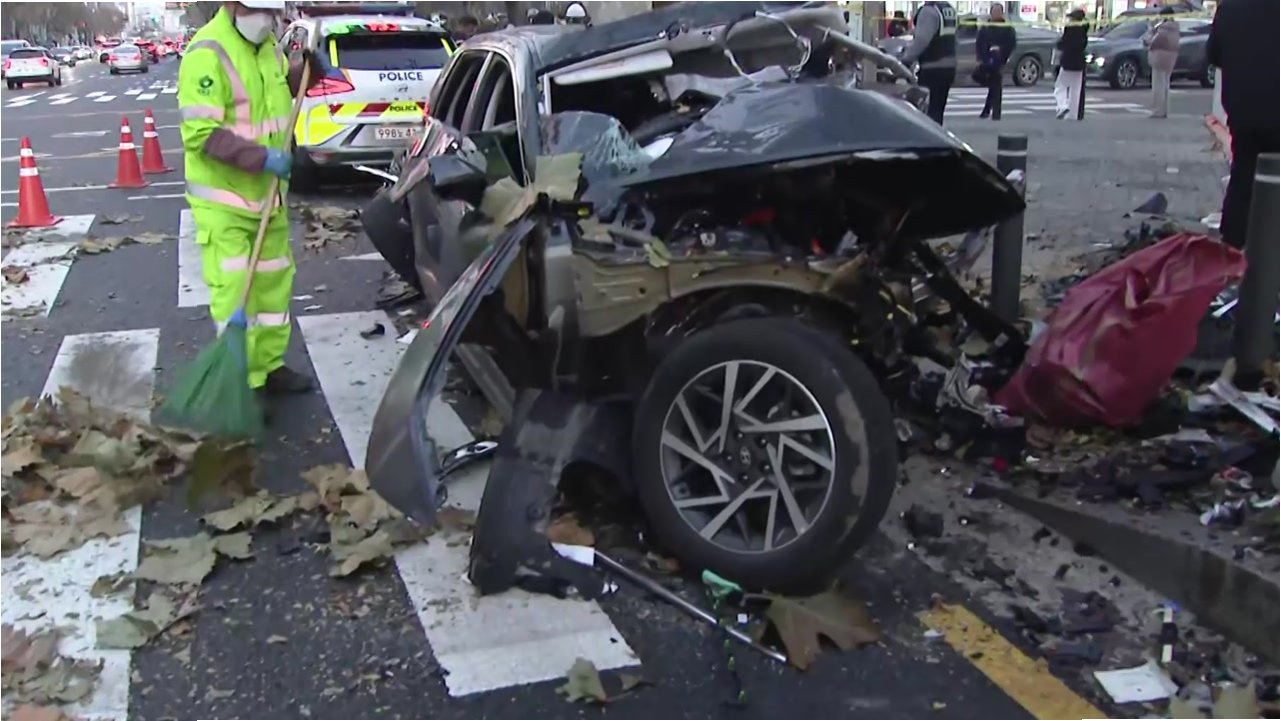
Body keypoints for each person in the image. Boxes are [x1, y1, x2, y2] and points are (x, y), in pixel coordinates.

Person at [179, 1, 320, 402]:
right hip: (225, 200)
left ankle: (269, 366)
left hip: (269, 197)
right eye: (259, 10)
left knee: (273, 287)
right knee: (235, 291)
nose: (268, 20)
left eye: (272, 13)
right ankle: (245, 381)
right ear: (233, 5)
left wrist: (307, 75)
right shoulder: (207, 53)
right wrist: (263, 158)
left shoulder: (269, 48)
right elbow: (201, 134)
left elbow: (276, 96)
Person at [1206, 0, 1280, 251]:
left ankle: (1233, 244)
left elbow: (1213, 54)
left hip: (1243, 109)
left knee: (1243, 175)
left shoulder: (1230, 8)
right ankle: (1270, 245)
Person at [900, 0, 958, 125]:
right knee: (937, 111)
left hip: (932, 67)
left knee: (927, 116)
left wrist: (906, 59)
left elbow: (922, 40)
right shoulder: (948, 9)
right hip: (949, 66)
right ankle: (937, 135)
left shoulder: (929, 11)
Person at [975, 3, 1015, 120]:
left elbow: (1011, 43)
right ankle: (987, 110)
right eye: (994, 11)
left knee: (996, 84)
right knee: (990, 83)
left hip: (999, 60)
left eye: (998, 12)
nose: (996, 14)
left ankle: (995, 113)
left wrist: (1002, 53)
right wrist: (980, 58)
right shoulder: (986, 27)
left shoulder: (1007, 28)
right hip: (986, 59)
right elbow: (979, 43)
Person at [1141, 7, 1179, 119]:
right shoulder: (1175, 28)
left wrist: (1150, 31)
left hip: (1159, 58)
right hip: (1171, 58)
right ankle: (1164, 110)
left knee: (1158, 86)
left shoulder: (1162, 29)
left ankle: (1158, 110)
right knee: (1166, 85)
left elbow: (1151, 41)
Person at [1054, 7, 1089, 119]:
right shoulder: (1084, 30)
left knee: (1060, 86)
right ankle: (1073, 114)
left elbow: (1064, 43)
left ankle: (1062, 107)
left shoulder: (1070, 29)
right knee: (1076, 90)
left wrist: (1058, 44)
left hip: (1068, 61)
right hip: (1079, 63)